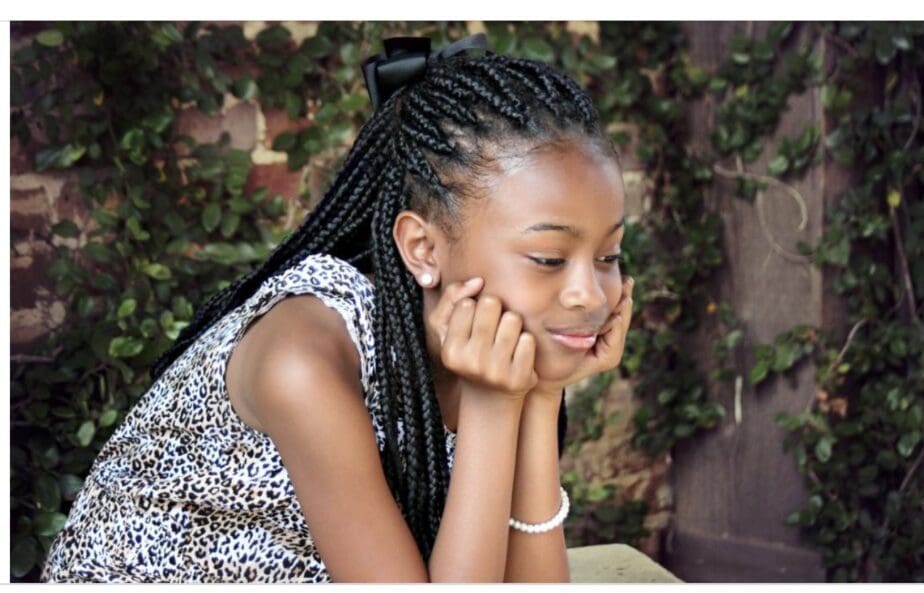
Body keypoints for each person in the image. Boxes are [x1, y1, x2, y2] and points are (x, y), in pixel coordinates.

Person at [40, 31, 634, 583]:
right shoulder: (304, 360)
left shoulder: (487, 353)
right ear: (423, 249)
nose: (591, 295)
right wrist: (495, 406)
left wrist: (539, 393)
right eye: (549, 259)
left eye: (608, 255)